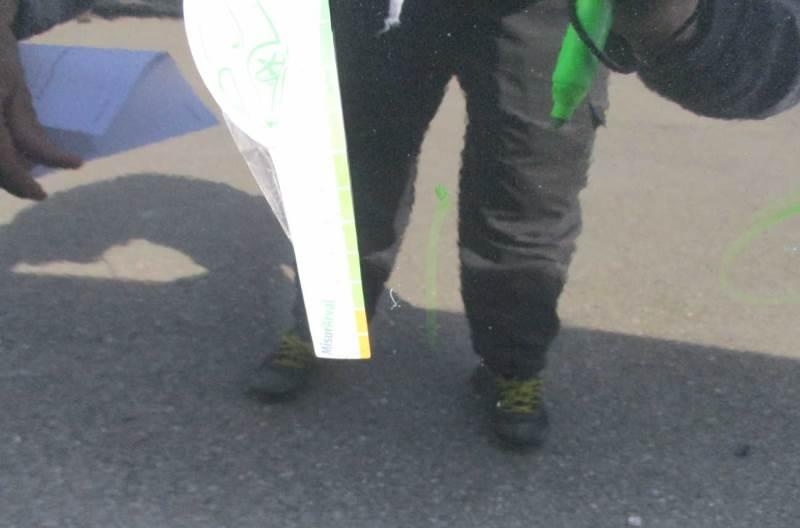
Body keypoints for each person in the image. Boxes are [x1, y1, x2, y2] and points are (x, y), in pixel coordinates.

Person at [4, 1, 800, 449]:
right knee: (348, 179)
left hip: (548, 16)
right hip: (383, 13)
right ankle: (323, 327)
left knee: (526, 193)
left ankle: (512, 364)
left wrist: (677, 18)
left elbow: (770, 64)